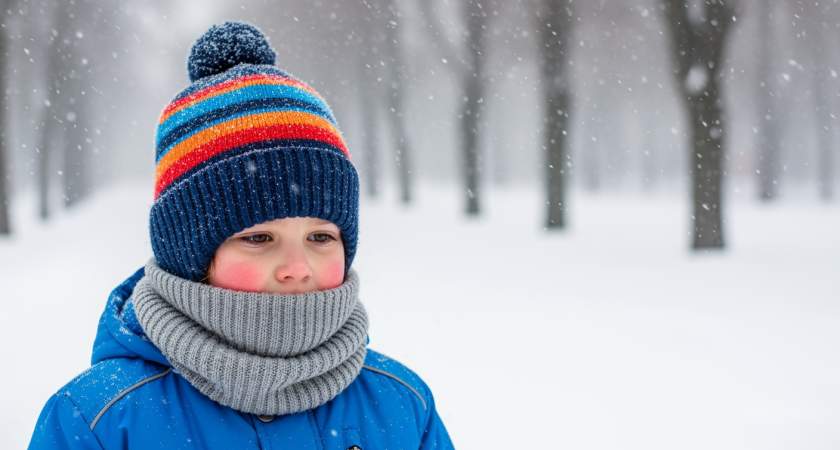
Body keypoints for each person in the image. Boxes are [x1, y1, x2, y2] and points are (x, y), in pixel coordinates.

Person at [28, 21, 453, 450]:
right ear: (191, 257)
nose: (297, 268)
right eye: (258, 239)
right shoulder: (98, 421)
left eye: (321, 237)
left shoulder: (402, 406)